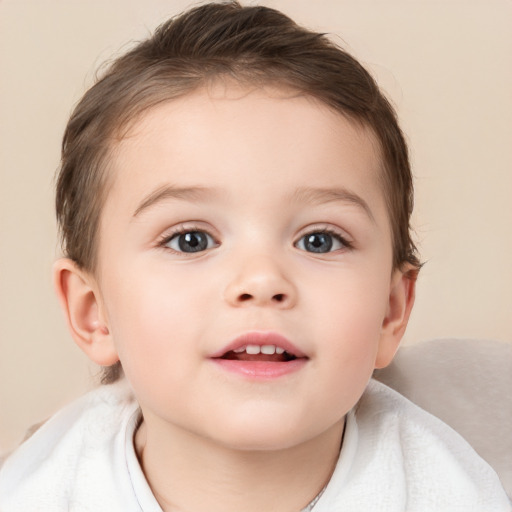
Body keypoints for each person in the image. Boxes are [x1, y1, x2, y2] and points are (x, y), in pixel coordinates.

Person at [0, 2, 509, 510]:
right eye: (191, 239)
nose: (262, 280)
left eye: (320, 240)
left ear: (390, 312)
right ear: (94, 312)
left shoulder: (454, 490)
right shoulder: (40, 490)